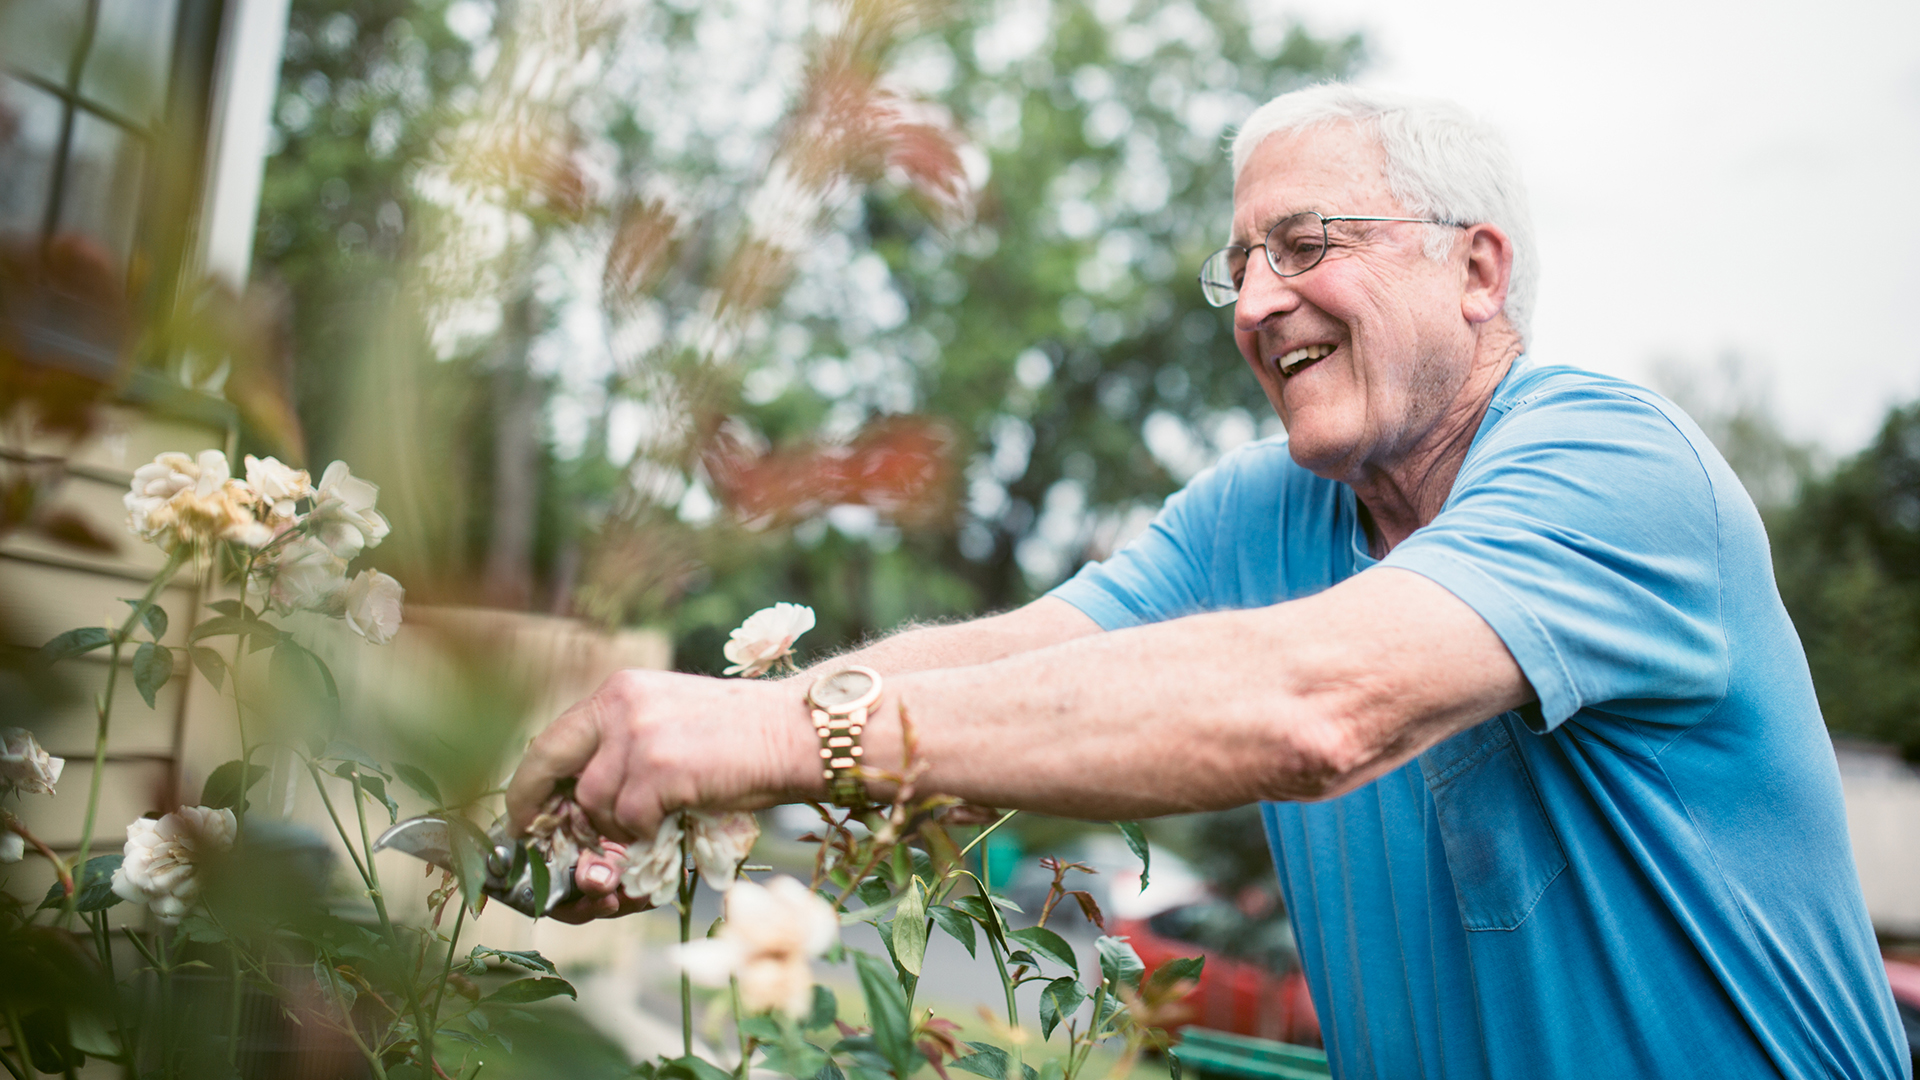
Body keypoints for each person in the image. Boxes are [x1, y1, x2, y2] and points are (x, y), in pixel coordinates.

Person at [505, 84, 1908, 1079]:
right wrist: (690, 748)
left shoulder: (1610, 462)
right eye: (1237, 264)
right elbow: (1021, 665)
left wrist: (763, 735)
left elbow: (1312, 705)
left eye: (1306, 245)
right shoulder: (1268, 510)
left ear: (1477, 268)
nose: (1253, 302)